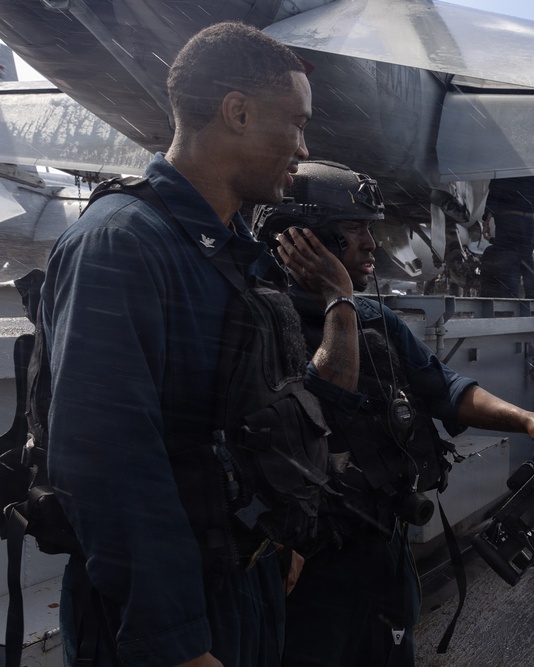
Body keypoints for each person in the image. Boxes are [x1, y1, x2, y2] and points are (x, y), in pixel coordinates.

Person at [41, 22, 333, 667]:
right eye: (295, 124)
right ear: (237, 112)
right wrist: (172, 642)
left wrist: (274, 536)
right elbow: (107, 462)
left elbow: (245, 417)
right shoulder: (123, 242)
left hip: (238, 579)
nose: (302, 147)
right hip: (164, 618)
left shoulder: (227, 253)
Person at [251, 160, 534, 666]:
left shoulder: (374, 318)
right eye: (354, 231)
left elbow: (446, 388)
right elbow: (330, 392)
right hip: (309, 561)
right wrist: (338, 299)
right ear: (305, 242)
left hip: (381, 543)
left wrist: (530, 420)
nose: (372, 244)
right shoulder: (264, 320)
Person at [479, 176, 534, 298]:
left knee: (509, 261)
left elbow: (494, 196)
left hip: (508, 220)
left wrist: (486, 222)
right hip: (528, 222)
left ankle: (512, 301)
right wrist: (526, 205)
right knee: (527, 260)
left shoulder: (503, 172)